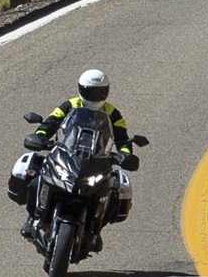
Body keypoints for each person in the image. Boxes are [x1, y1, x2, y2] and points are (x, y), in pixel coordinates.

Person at [20, 69, 136, 247]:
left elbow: (122, 137)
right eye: (91, 91)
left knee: (111, 190)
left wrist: (125, 154)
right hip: (67, 154)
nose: (95, 96)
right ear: (81, 89)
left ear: (107, 91)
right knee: (37, 178)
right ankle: (32, 218)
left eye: (100, 92)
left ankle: (96, 230)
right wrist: (41, 136)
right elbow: (50, 123)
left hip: (96, 159)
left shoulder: (113, 113)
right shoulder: (70, 105)